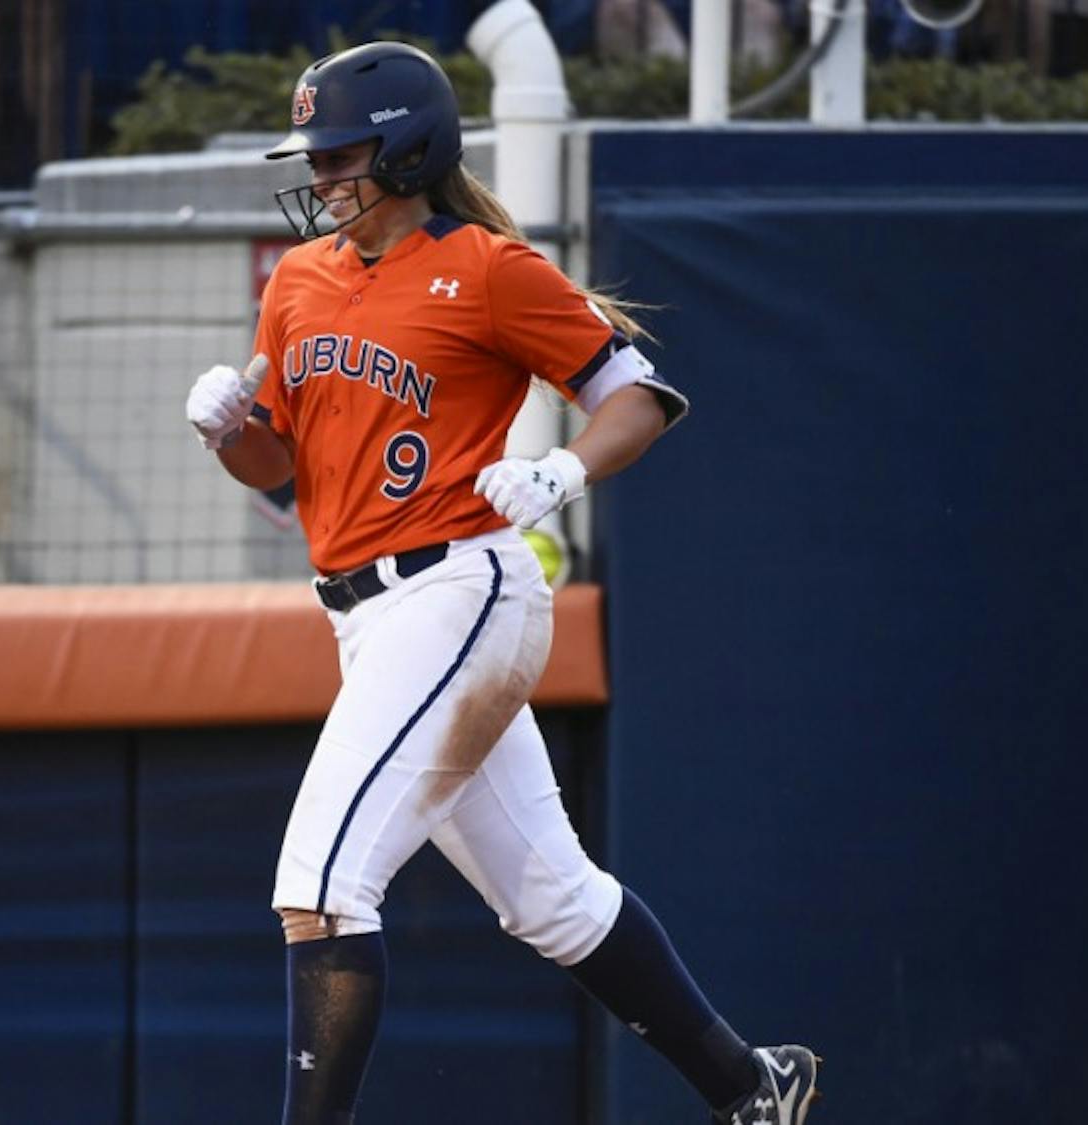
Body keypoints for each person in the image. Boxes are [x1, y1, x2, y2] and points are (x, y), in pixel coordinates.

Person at [184, 40, 821, 1125]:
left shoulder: (484, 266)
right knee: (551, 901)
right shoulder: (298, 280)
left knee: (324, 888)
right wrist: (229, 433)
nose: (323, 174)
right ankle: (753, 1087)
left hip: (459, 587)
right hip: (365, 614)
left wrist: (564, 467)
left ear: (405, 149)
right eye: (319, 153)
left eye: (341, 152)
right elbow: (280, 467)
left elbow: (638, 392)